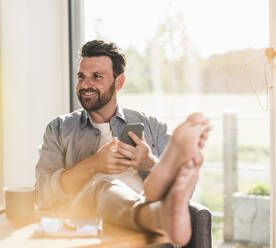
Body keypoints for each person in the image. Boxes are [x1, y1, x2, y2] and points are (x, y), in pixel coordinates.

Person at [35, 40, 211, 246]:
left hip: (145, 238)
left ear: (119, 82)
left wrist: (148, 164)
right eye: (81, 77)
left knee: (157, 187)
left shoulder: (150, 125)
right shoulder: (58, 129)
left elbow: (184, 194)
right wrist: (94, 165)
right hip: (86, 230)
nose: (85, 85)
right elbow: (44, 196)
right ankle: (155, 213)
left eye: (96, 77)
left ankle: (156, 198)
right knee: (103, 185)